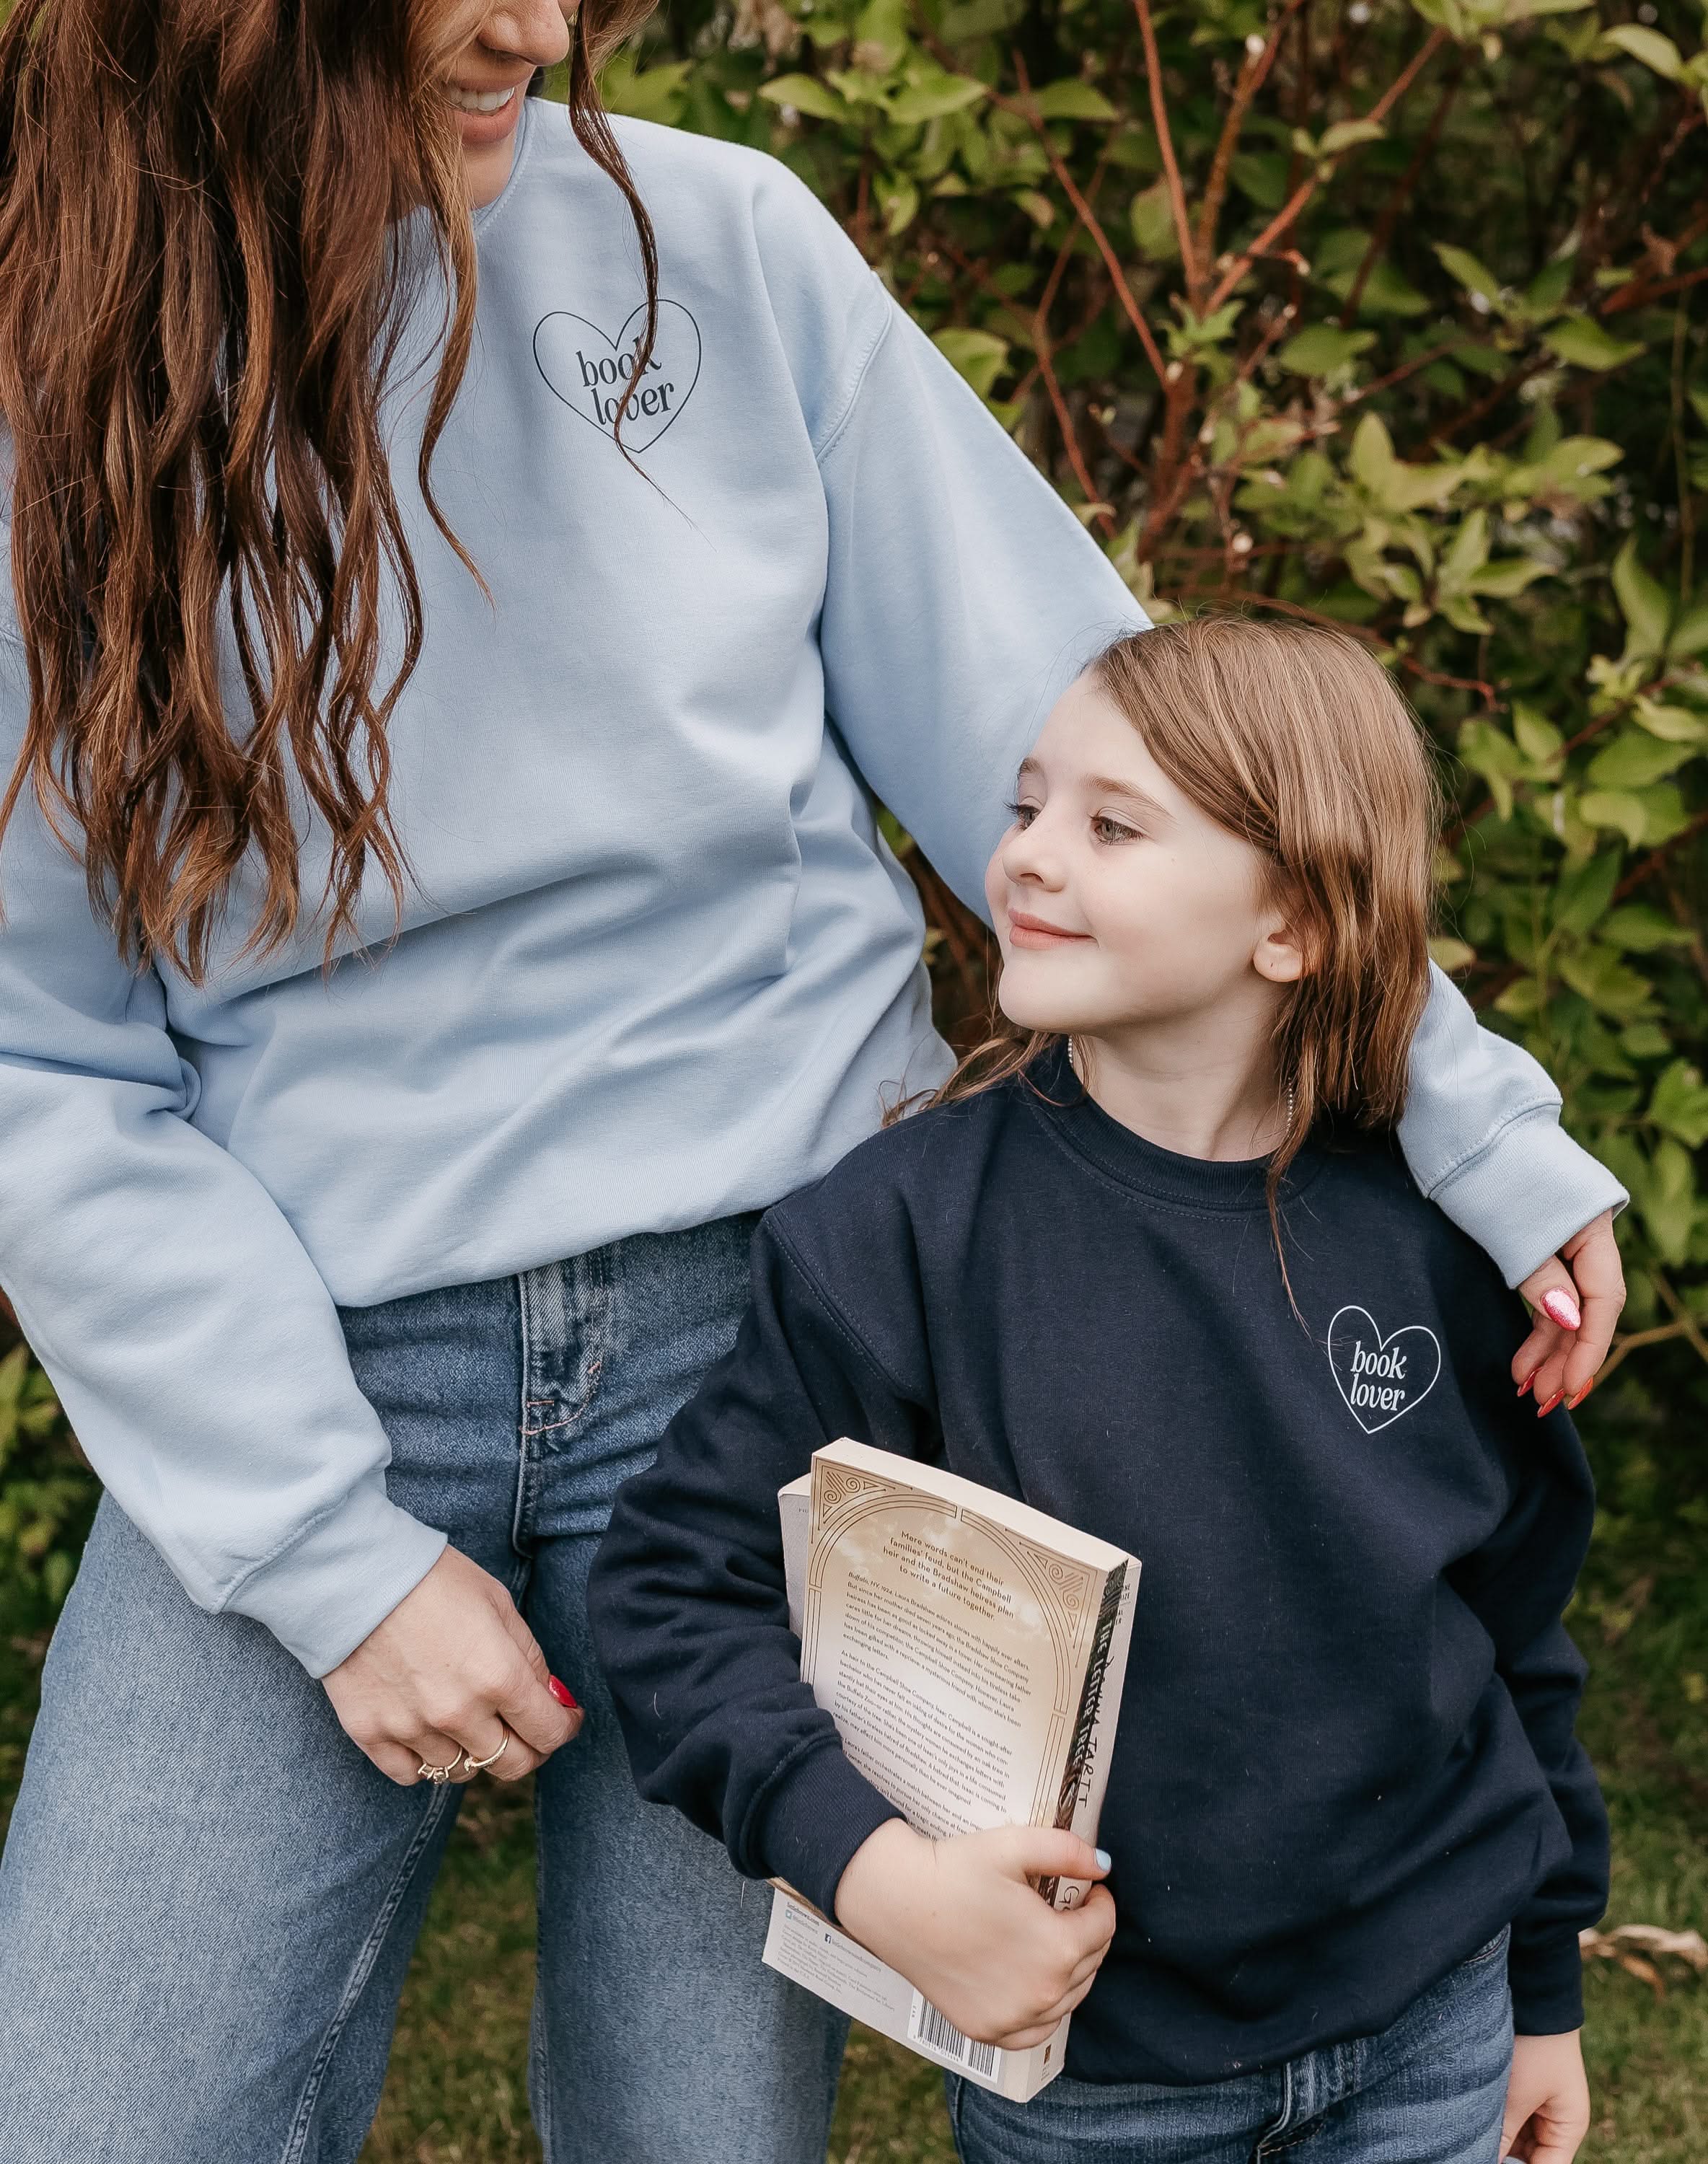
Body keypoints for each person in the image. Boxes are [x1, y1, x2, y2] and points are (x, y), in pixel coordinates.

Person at [0, 6, 1622, 2159]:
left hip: (794, 1332)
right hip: (309, 1349)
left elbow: (1126, 766)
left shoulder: (721, 249)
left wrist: (1474, 1121)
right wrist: (326, 1550)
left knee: (703, 2140)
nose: (542, 27)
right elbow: (39, 1057)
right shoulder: (46, 378)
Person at [590, 615, 1607, 2164]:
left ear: (1294, 923)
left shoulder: (1442, 1237)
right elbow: (672, 1587)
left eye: (1111, 825)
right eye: (1022, 806)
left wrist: (1543, 1982)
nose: (1025, 859)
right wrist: (870, 1872)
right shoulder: (899, 1235)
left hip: (1431, 2029)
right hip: (1101, 2081)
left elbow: (1512, 1627)